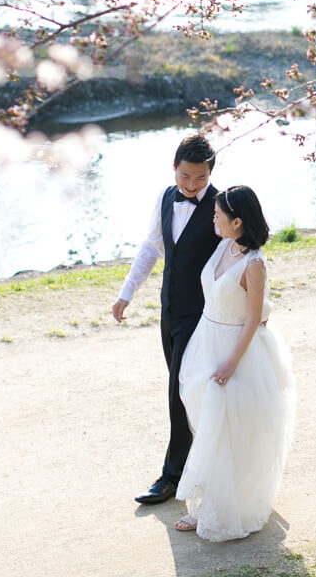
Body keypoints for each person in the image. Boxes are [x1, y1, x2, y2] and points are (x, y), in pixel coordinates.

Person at [173, 185, 296, 539]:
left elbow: (253, 319)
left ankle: (215, 508)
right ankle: (209, 500)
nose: (213, 218)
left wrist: (230, 364)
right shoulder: (224, 244)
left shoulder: (254, 264)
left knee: (226, 427)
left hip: (234, 351)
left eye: (218, 215)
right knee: (205, 423)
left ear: (238, 221)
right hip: (205, 340)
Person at [111, 133, 221, 505]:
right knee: (189, 393)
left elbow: (241, 257)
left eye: (200, 179)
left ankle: (172, 477)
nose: (192, 185)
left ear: (211, 173)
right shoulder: (164, 198)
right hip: (169, 309)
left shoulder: (222, 206)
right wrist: (127, 292)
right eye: (186, 177)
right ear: (174, 168)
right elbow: (151, 247)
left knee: (179, 392)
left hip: (204, 315)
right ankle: (201, 467)